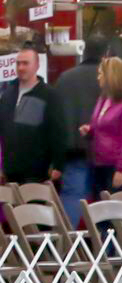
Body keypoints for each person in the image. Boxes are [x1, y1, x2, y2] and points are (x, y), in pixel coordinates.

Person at [53, 35, 105, 221]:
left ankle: (65, 246)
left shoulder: (65, 78)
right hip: (103, 152)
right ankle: (106, 249)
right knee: (105, 204)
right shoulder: (109, 80)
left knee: (72, 199)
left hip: (73, 150)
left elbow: (56, 117)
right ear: (106, 54)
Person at [0, 45, 69, 187]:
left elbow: (59, 132)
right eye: (18, 63)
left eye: (25, 63)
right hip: (11, 172)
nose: (20, 67)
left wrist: (58, 165)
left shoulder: (49, 95)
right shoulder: (7, 95)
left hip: (38, 173)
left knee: (35, 209)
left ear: (37, 65)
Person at [80, 56, 122, 199]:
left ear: (111, 77)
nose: (98, 78)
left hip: (117, 166)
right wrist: (90, 131)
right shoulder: (103, 99)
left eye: (101, 74)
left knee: (118, 213)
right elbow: (100, 126)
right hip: (99, 164)